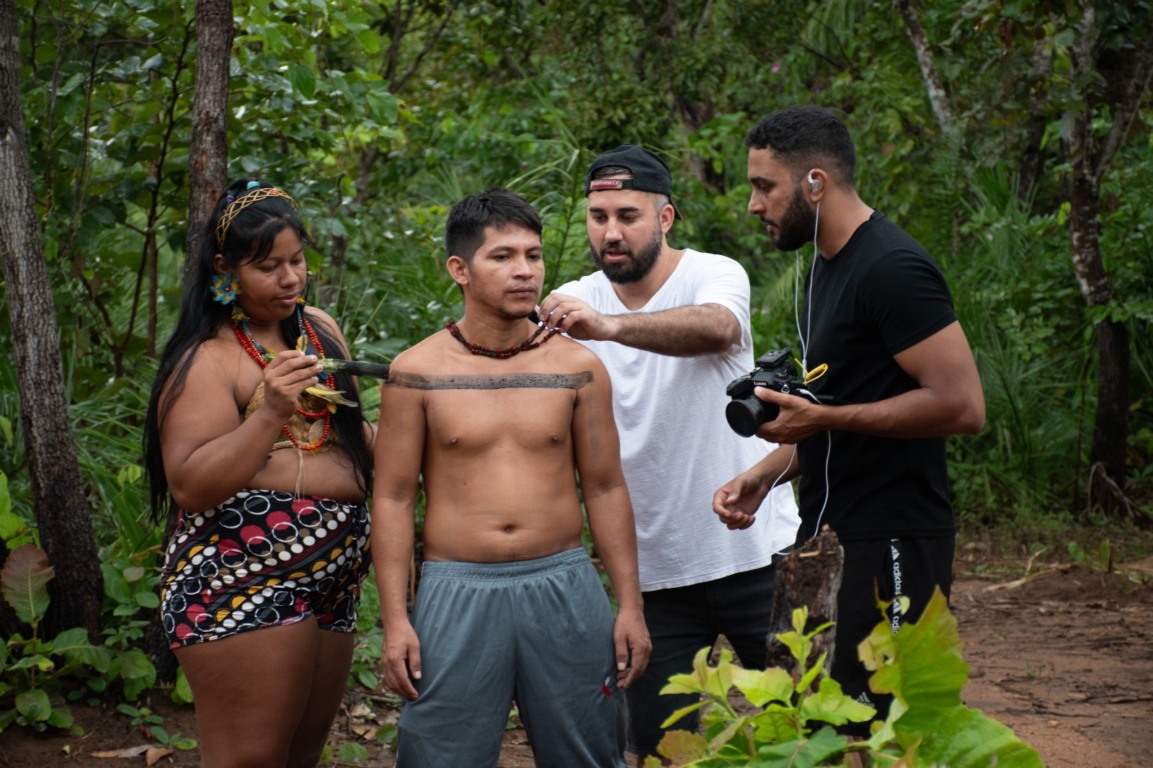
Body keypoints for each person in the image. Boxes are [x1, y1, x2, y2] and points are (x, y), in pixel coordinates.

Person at [713, 105, 986, 730]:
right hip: (827, 539)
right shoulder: (823, 268)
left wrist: (826, 419)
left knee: (890, 727)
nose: (753, 204)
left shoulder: (891, 267)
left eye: (764, 186)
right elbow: (833, 414)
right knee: (824, 722)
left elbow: (963, 405)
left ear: (815, 183)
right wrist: (763, 475)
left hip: (893, 537)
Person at [537, 145, 800, 762]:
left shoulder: (714, 274)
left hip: (757, 553)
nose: (611, 232)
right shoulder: (571, 298)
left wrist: (608, 327)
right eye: (598, 216)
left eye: (628, 215)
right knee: (660, 748)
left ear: (665, 217)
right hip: (652, 576)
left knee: (806, 725)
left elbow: (718, 328)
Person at [372, 187, 650, 767]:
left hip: (563, 584)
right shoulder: (416, 372)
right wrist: (396, 620)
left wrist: (630, 606)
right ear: (460, 270)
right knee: (440, 756)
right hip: (457, 588)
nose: (525, 270)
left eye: (533, 255)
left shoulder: (577, 367)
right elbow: (393, 497)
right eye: (502, 256)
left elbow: (604, 487)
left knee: (589, 752)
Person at [144, 179, 374, 767]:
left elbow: (351, 438)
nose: (290, 279)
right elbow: (189, 484)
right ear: (225, 270)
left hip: (333, 583)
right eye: (268, 267)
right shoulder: (208, 357)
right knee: (250, 759)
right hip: (243, 579)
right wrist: (269, 411)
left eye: (297, 261)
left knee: (300, 756)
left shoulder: (319, 329)